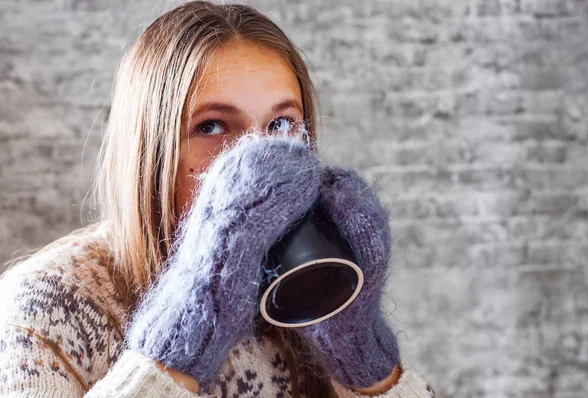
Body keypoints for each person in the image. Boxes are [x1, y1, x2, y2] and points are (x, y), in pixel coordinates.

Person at [0, 2, 437, 397]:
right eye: (211, 127)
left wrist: (360, 352)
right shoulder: (47, 303)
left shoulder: (302, 292)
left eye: (281, 124)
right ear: (151, 153)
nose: (257, 158)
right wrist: (190, 329)